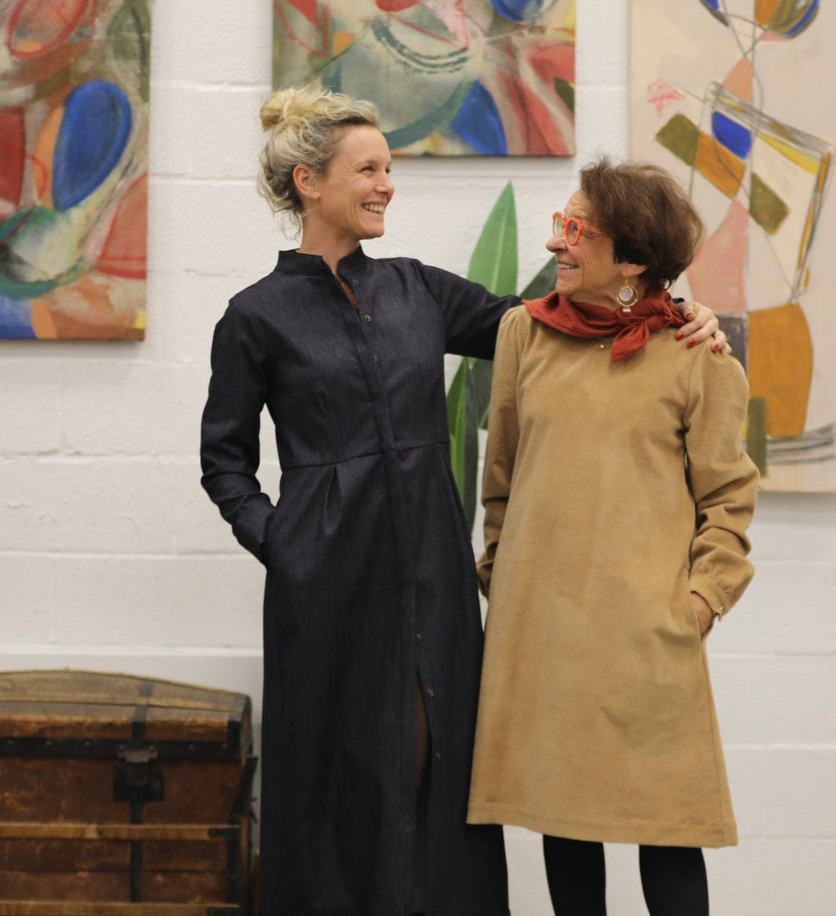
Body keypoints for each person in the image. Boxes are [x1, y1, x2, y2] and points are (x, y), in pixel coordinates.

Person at [199, 85, 726, 915]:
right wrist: (286, 542)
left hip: (433, 578)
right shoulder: (254, 317)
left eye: (388, 168)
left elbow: (554, 319)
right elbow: (224, 462)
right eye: (369, 169)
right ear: (309, 182)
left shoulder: (418, 290)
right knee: (334, 782)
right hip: (325, 587)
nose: (387, 184)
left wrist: (674, 311)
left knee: (436, 768)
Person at [467, 157, 759, 916]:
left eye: (575, 229)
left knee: (668, 826)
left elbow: (729, 497)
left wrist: (700, 601)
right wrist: (502, 575)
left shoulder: (697, 354)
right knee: (564, 823)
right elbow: (501, 477)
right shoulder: (524, 333)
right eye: (559, 224)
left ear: (631, 259)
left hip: (646, 635)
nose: (556, 243)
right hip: (543, 631)